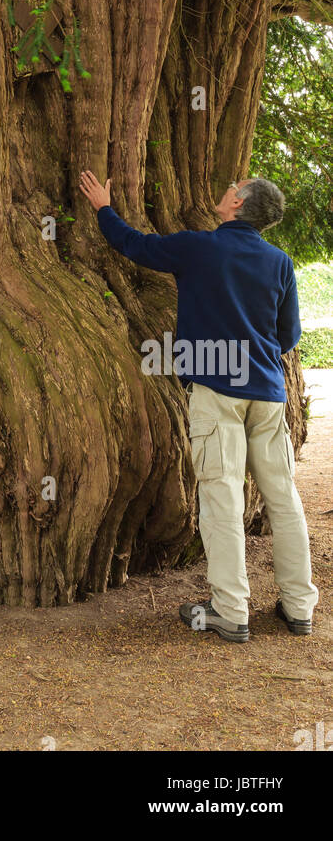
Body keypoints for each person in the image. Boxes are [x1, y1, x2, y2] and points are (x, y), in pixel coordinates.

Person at [78, 170, 318, 643]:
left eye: (233, 188)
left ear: (237, 203)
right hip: (268, 396)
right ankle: (299, 607)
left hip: (217, 392)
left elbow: (137, 246)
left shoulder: (199, 247)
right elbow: (288, 335)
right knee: (285, 500)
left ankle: (230, 611)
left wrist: (104, 208)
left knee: (222, 497)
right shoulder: (280, 263)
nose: (226, 189)